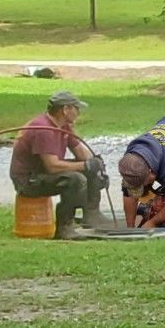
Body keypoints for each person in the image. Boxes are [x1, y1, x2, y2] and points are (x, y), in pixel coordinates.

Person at [9, 90, 110, 238]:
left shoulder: (63, 126)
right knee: (75, 179)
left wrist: (96, 166)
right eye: (77, 109)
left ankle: (92, 215)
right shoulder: (44, 129)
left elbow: (80, 152)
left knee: (90, 168)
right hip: (29, 180)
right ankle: (64, 228)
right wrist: (85, 166)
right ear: (65, 109)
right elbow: (52, 166)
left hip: (43, 172)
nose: (79, 113)